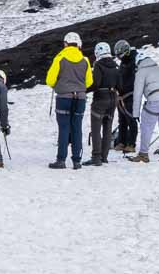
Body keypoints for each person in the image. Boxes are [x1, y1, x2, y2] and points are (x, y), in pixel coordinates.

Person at [45, 31, 93, 170]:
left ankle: (61, 160)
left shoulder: (60, 58)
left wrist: (59, 85)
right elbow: (89, 81)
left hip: (64, 97)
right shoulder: (85, 60)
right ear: (78, 44)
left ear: (65, 44)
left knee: (64, 128)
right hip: (80, 99)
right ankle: (77, 161)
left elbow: (50, 80)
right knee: (77, 128)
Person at [129, 51, 159, 164]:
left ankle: (143, 154)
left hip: (155, 99)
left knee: (146, 127)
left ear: (138, 63)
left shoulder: (141, 72)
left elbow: (137, 94)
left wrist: (135, 114)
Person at [85, 42, 119, 166]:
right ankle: (104, 157)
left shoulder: (98, 65)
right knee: (107, 127)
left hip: (100, 98)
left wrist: (84, 90)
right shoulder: (115, 66)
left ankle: (96, 157)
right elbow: (119, 85)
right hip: (113, 98)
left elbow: (96, 84)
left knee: (96, 128)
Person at [113, 40, 138, 153]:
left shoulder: (134, 61)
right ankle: (121, 142)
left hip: (130, 95)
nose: (118, 58)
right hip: (121, 95)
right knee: (122, 120)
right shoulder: (124, 62)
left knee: (131, 119)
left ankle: (131, 144)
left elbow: (133, 79)